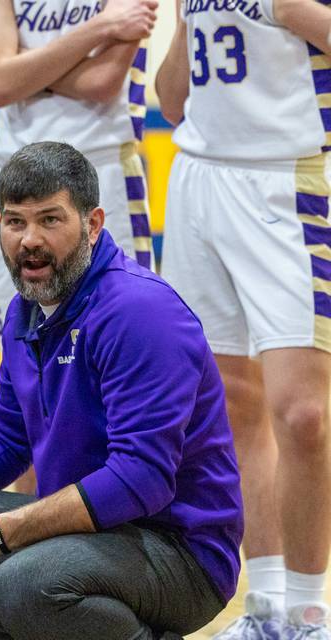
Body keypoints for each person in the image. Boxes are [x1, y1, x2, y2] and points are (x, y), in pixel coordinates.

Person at [0, 142, 244, 640]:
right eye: (14, 222)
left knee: (28, 583)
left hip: (182, 552)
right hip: (92, 534)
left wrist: (3, 533)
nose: (29, 240)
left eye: (50, 220)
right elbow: (8, 441)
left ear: (93, 224)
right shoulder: (25, 311)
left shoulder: (139, 311)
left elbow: (142, 478)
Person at [156, 1, 331, 637]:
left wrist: (292, 9)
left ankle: (312, 614)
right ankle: (268, 608)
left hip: (291, 181)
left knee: (304, 414)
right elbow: (172, 102)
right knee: (232, 407)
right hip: (200, 179)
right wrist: (181, 24)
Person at [0, 0, 159, 337]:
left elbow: (102, 82)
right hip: (15, 174)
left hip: (101, 170)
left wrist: (27, 65)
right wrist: (102, 26)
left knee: (120, 327)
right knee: (21, 337)